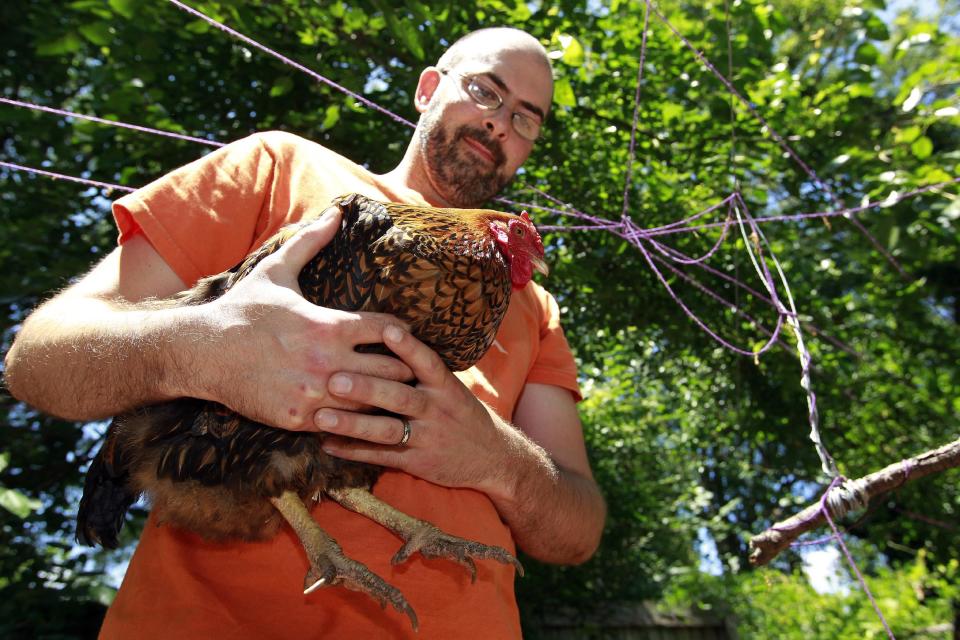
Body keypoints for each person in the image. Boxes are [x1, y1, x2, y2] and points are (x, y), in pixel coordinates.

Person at [4, 27, 606, 638]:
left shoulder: (531, 304)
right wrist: (198, 349)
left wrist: (496, 459)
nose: (501, 123)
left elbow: (578, 533)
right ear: (428, 89)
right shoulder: (283, 170)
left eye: (527, 118)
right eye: (485, 91)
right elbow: (34, 361)